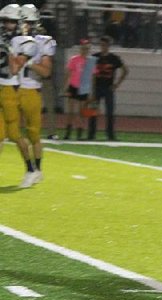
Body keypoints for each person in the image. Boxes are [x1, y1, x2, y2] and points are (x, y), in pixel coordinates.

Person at [17, 4, 55, 188]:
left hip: (31, 90)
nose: (26, 26)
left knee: (33, 134)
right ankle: (30, 167)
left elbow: (46, 72)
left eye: (29, 22)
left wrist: (28, 61)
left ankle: (36, 170)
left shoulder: (43, 41)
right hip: (12, 89)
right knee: (12, 132)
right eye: (24, 22)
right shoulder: (12, 39)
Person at [0, 4, 36, 185]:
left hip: (10, 89)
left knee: (14, 134)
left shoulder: (27, 43)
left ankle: (31, 169)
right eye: (5, 20)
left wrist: (7, 49)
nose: (8, 25)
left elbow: (14, 69)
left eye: (12, 21)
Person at [88, 35, 127, 141]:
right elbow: (91, 74)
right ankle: (91, 134)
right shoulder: (94, 57)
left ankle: (110, 135)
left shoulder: (114, 58)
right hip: (97, 87)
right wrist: (91, 89)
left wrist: (117, 84)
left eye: (105, 45)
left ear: (108, 46)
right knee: (93, 111)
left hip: (108, 88)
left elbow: (125, 71)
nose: (103, 47)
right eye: (101, 45)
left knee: (110, 112)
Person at [63, 38, 91, 140]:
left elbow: (92, 77)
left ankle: (79, 132)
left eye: (87, 49)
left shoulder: (90, 61)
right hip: (73, 86)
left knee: (82, 112)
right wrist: (65, 87)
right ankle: (68, 132)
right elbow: (68, 73)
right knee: (71, 111)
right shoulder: (74, 59)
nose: (85, 50)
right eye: (83, 48)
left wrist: (91, 90)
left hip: (84, 88)